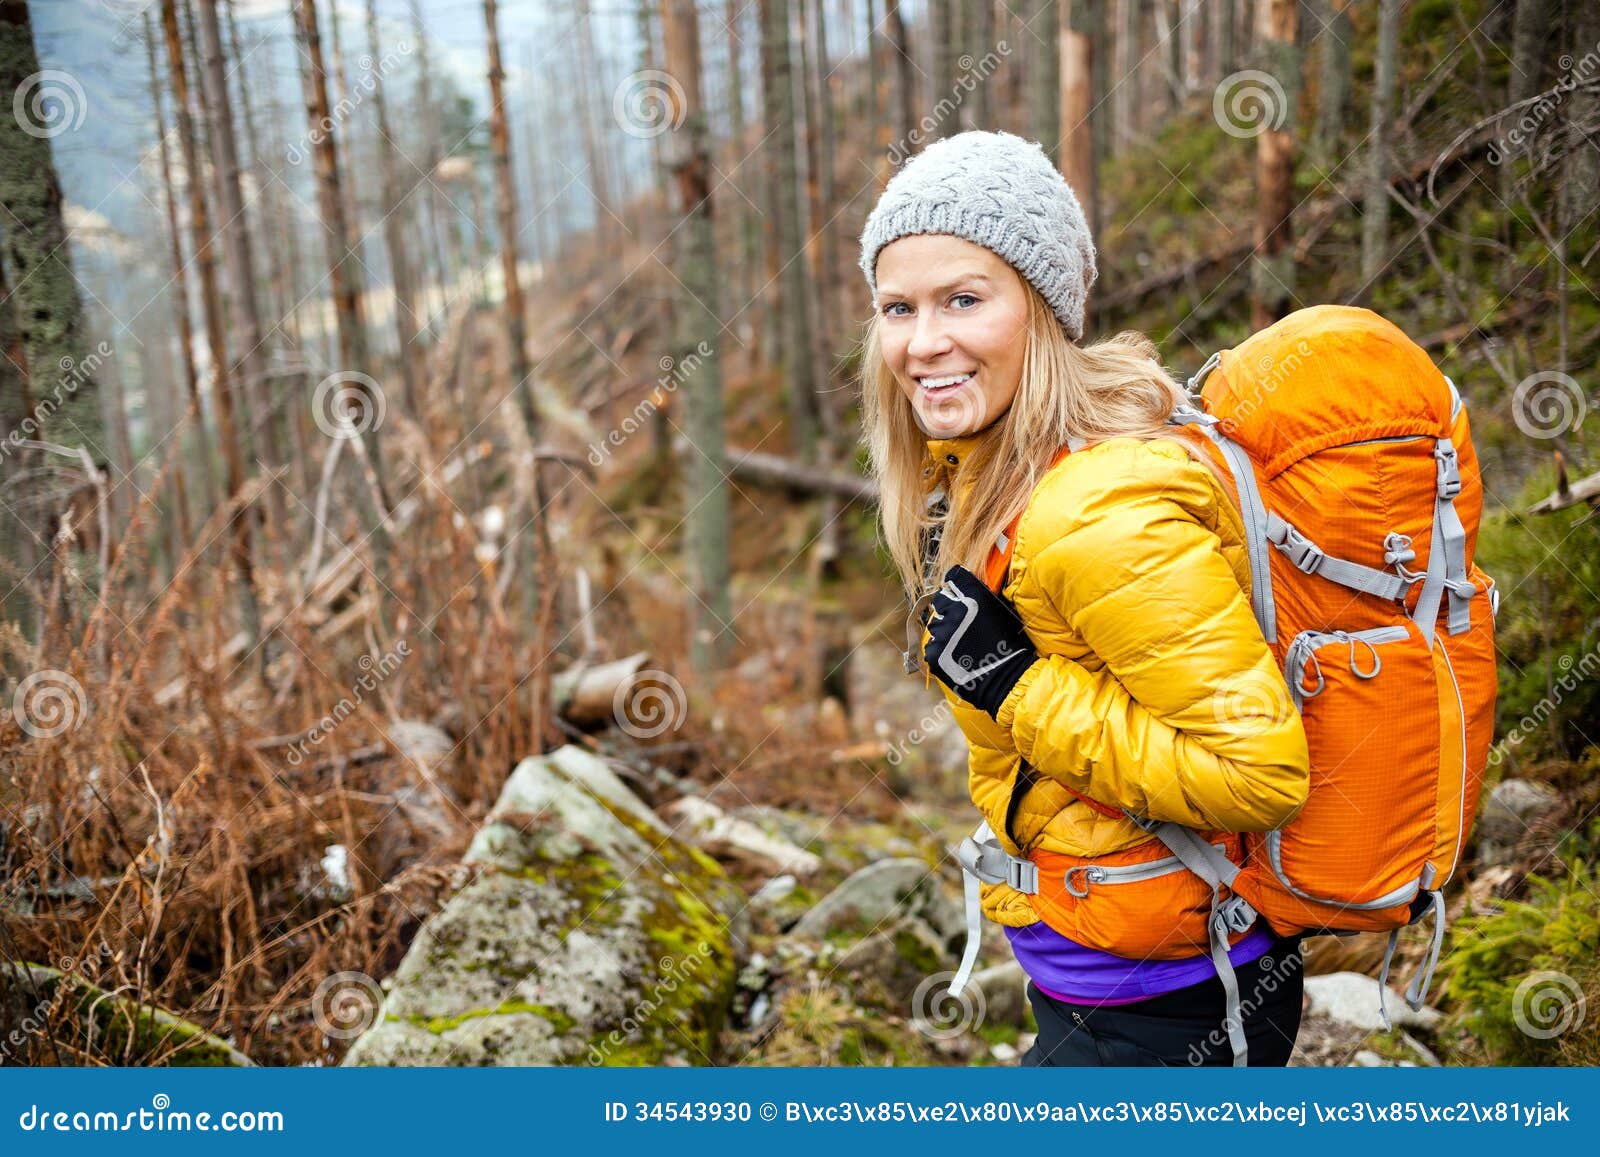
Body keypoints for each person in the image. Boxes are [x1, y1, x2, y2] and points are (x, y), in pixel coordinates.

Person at [855, 130, 1312, 1067]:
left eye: (965, 299)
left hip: (1174, 1000)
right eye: (897, 307)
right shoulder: (1003, 478)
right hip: (1101, 966)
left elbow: (1261, 774)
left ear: (1044, 311)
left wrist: (1015, 686)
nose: (923, 340)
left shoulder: (1096, 507)